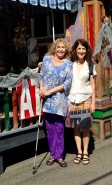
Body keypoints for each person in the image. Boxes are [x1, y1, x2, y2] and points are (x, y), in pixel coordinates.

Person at [39, 38, 73, 167]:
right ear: (55, 48)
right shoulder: (47, 60)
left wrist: (50, 91)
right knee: (49, 128)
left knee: (59, 128)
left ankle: (59, 156)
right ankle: (52, 154)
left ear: (66, 50)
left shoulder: (68, 64)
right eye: (58, 47)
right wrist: (41, 88)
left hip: (59, 100)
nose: (60, 49)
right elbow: (41, 76)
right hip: (47, 100)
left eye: (63, 47)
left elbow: (67, 84)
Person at [66, 39, 96, 165]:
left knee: (85, 128)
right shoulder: (70, 64)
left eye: (83, 49)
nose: (81, 51)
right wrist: (41, 64)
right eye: (79, 48)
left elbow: (93, 85)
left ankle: (85, 153)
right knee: (76, 128)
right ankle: (79, 152)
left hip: (85, 98)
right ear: (75, 50)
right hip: (72, 99)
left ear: (86, 50)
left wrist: (93, 102)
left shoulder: (90, 64)